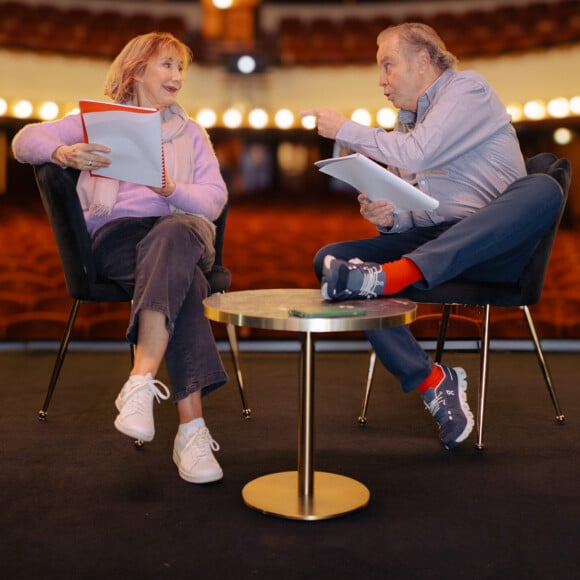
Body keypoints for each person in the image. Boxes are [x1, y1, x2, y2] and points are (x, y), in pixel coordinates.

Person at [301, 23, 563, 450]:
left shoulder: (468, 91)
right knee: (332, 260)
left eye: (388, 66)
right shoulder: (407, 125)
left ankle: (387, 277)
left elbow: (420, 153)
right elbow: (422, 212)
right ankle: (431, 380)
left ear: (424, 61)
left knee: (543, 189)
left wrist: (346, 129)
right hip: (438, 245)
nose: (381, 81)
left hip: (493, 250)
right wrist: (390, 219)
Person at [12, 32, 229, 483]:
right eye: (166, 65)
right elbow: (23, 141)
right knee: (183, 280)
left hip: (184, 228)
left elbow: (212, 201)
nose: (177, 76)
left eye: (180, 67)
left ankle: (140, 379)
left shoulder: (192, 133)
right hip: (119, 238)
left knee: (175, 234)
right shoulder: (94, 122)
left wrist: (171, 190)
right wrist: (63, 151)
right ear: (135, 70)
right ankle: (191, 430)